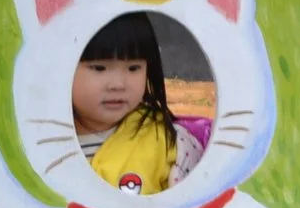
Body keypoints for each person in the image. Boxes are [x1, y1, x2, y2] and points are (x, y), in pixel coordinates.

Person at [74, 13, 203, 195]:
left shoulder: (168, 144)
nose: (118, 85)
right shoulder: (39, 144)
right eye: (99, 68)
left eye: (133, 68)